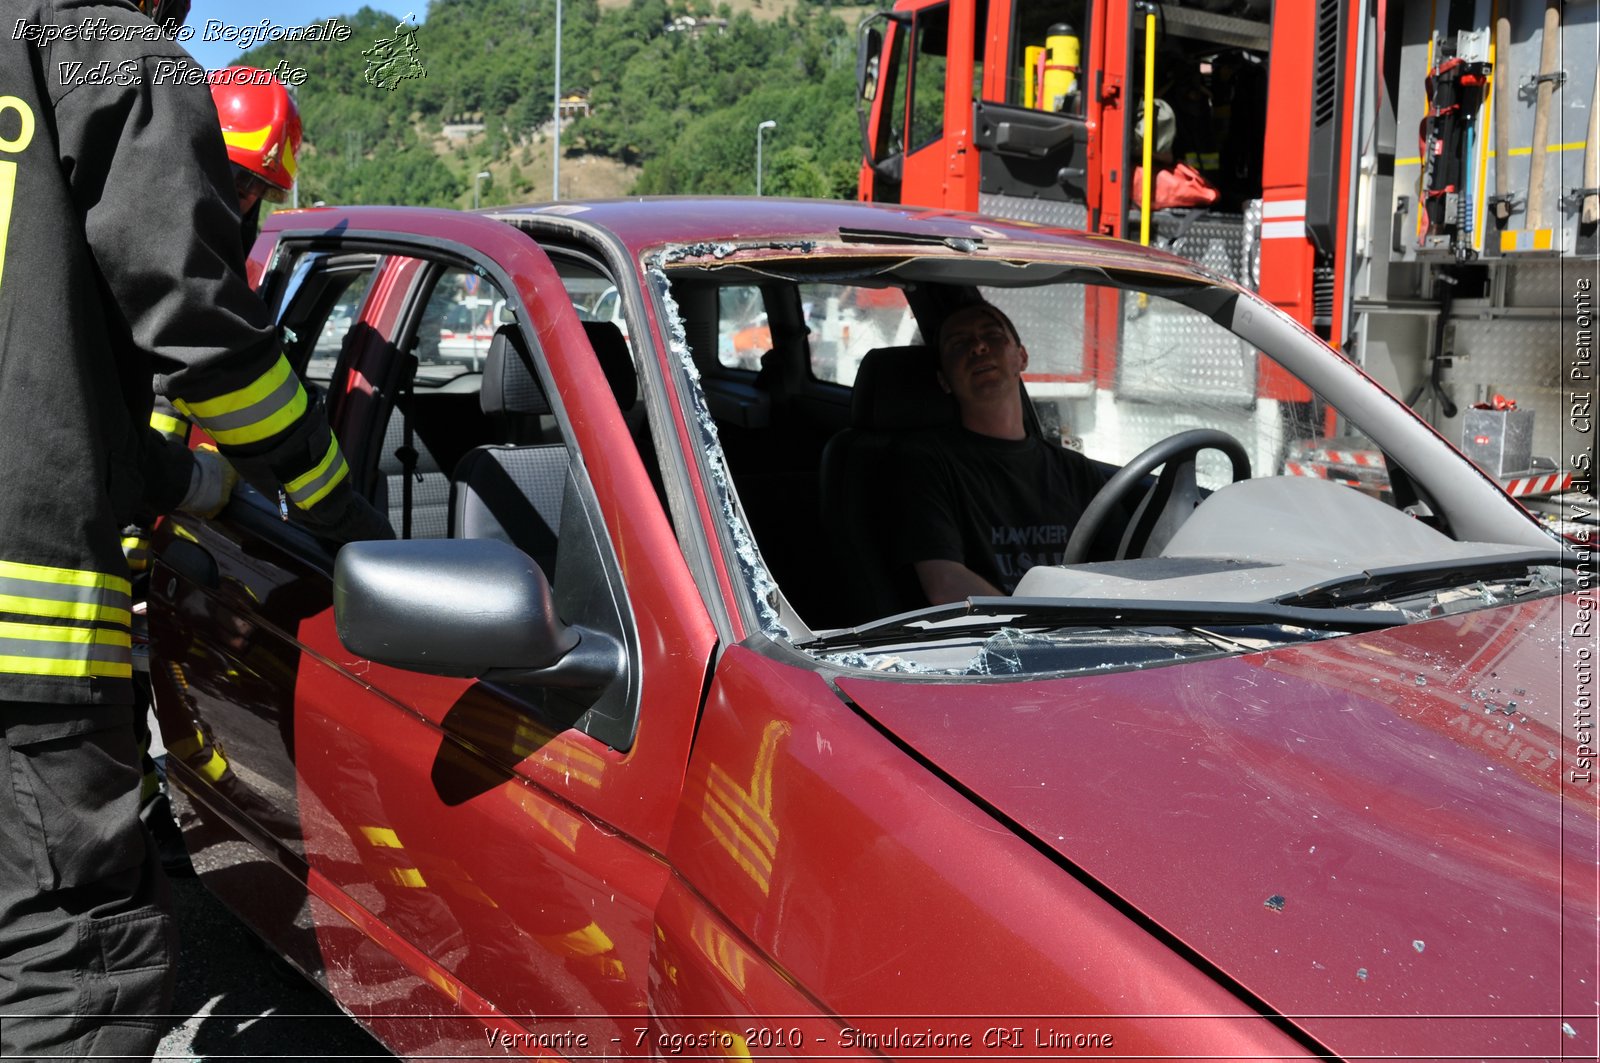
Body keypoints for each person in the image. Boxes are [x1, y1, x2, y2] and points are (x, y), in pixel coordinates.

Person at [0, 2, 387, 1058]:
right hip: (34, 641)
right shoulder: (102, 60)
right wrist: (339, 507)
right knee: (76, 968)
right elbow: (204, 341)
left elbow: (55, 389)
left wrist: (195, 489)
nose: (239, 205)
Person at [894, 301, 1121, 605]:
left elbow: (1126, 565)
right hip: (992, 641)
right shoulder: (926, 463)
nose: (978, 347)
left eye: (992, 335)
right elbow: (945, 584)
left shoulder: (1075, 469)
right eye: (958, 344)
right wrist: (1033, 631)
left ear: (1022, 357)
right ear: (944, 380)